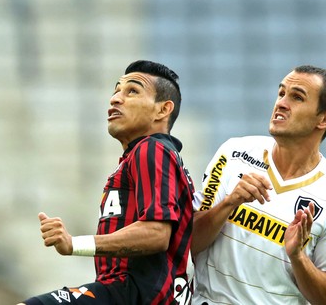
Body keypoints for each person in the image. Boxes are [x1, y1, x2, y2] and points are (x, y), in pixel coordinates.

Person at [19, 60, 195, 305]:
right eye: (116, 90)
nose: (115, 99)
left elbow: (157, 233)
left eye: (132, 91)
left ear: (163, 110)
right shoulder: (146, 156)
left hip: (133, 294)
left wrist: (74, 244)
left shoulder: (152, 149)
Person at [191, 65, 326, 305]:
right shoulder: (233, 153)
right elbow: (189, 242)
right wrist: (229, 203)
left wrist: (298, 257)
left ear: (325, 119)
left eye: (297, 97)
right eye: (281, 93)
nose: (281, 103)